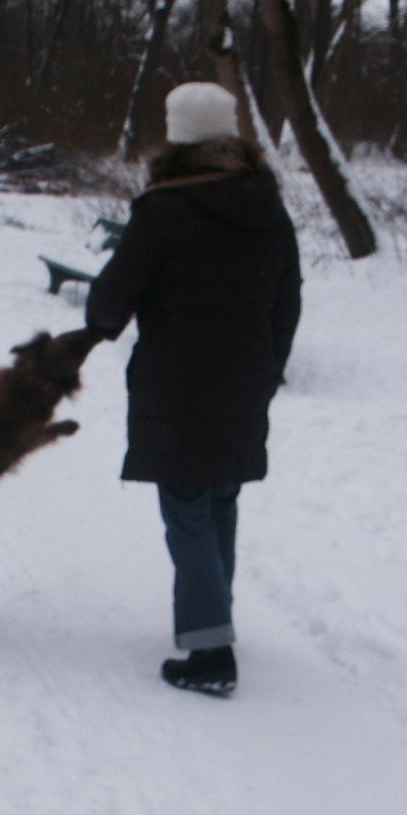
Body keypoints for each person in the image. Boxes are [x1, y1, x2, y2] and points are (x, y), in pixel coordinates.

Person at [85, 82, 301, 696]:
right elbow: (288, 297)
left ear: (175, 136)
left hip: (177, 386)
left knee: (187, 509)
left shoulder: (164, 210)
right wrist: (268, 367)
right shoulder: (268, 207)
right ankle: (215, 621)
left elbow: (110, 300)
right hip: (244, 382)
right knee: (218, 501)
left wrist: (99, 324)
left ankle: (209, 654)